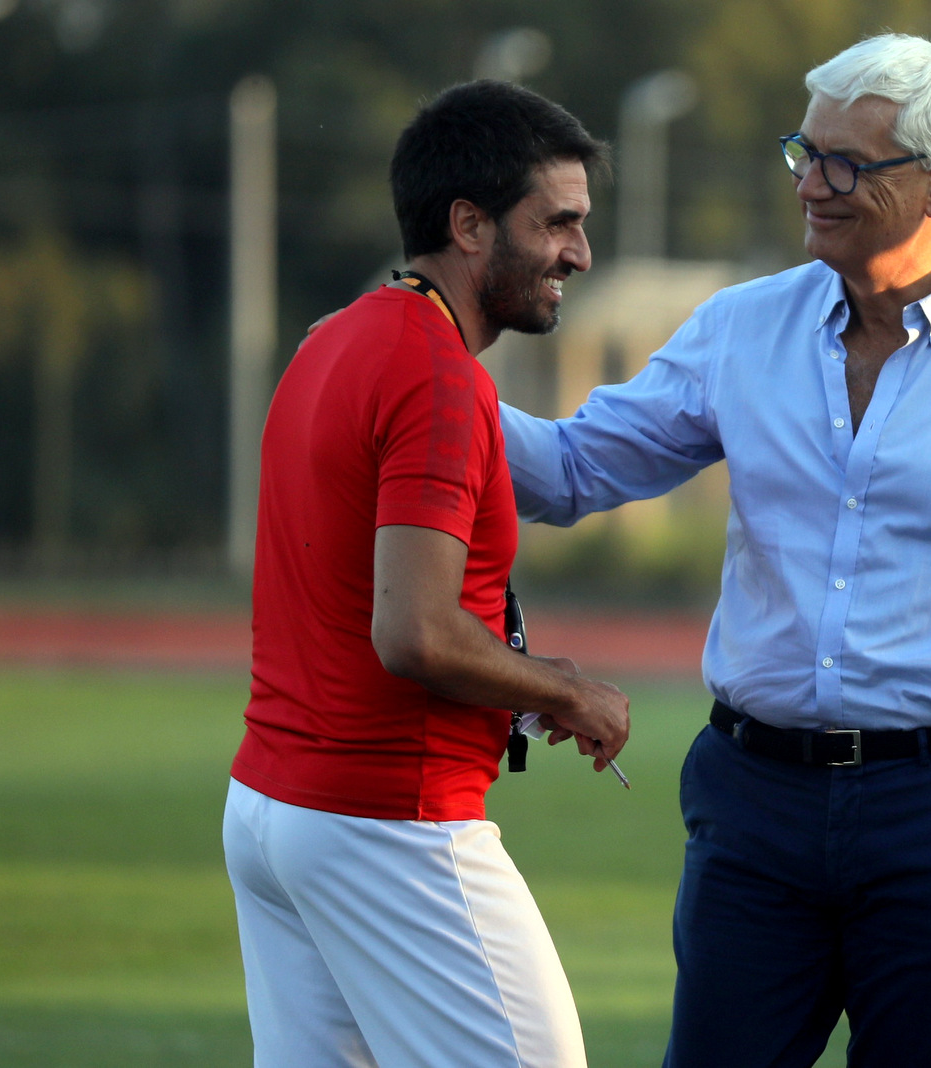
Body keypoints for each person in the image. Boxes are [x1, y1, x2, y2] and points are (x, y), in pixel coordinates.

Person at [500, 33, 931, 1067]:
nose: (813, 184)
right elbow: (574, 469)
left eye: (847, 162)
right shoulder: (741, 328)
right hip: (754, 806)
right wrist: (415, 380)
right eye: (806, 150)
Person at [223, 80, 630, 1068]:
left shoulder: (332, 340)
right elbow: (414, 633)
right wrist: (566, 690)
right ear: (469, 224)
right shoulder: (440, 377)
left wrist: (519, 685)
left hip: (271, 809)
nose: (578, 252)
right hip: (386, 820)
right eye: (558, 224)